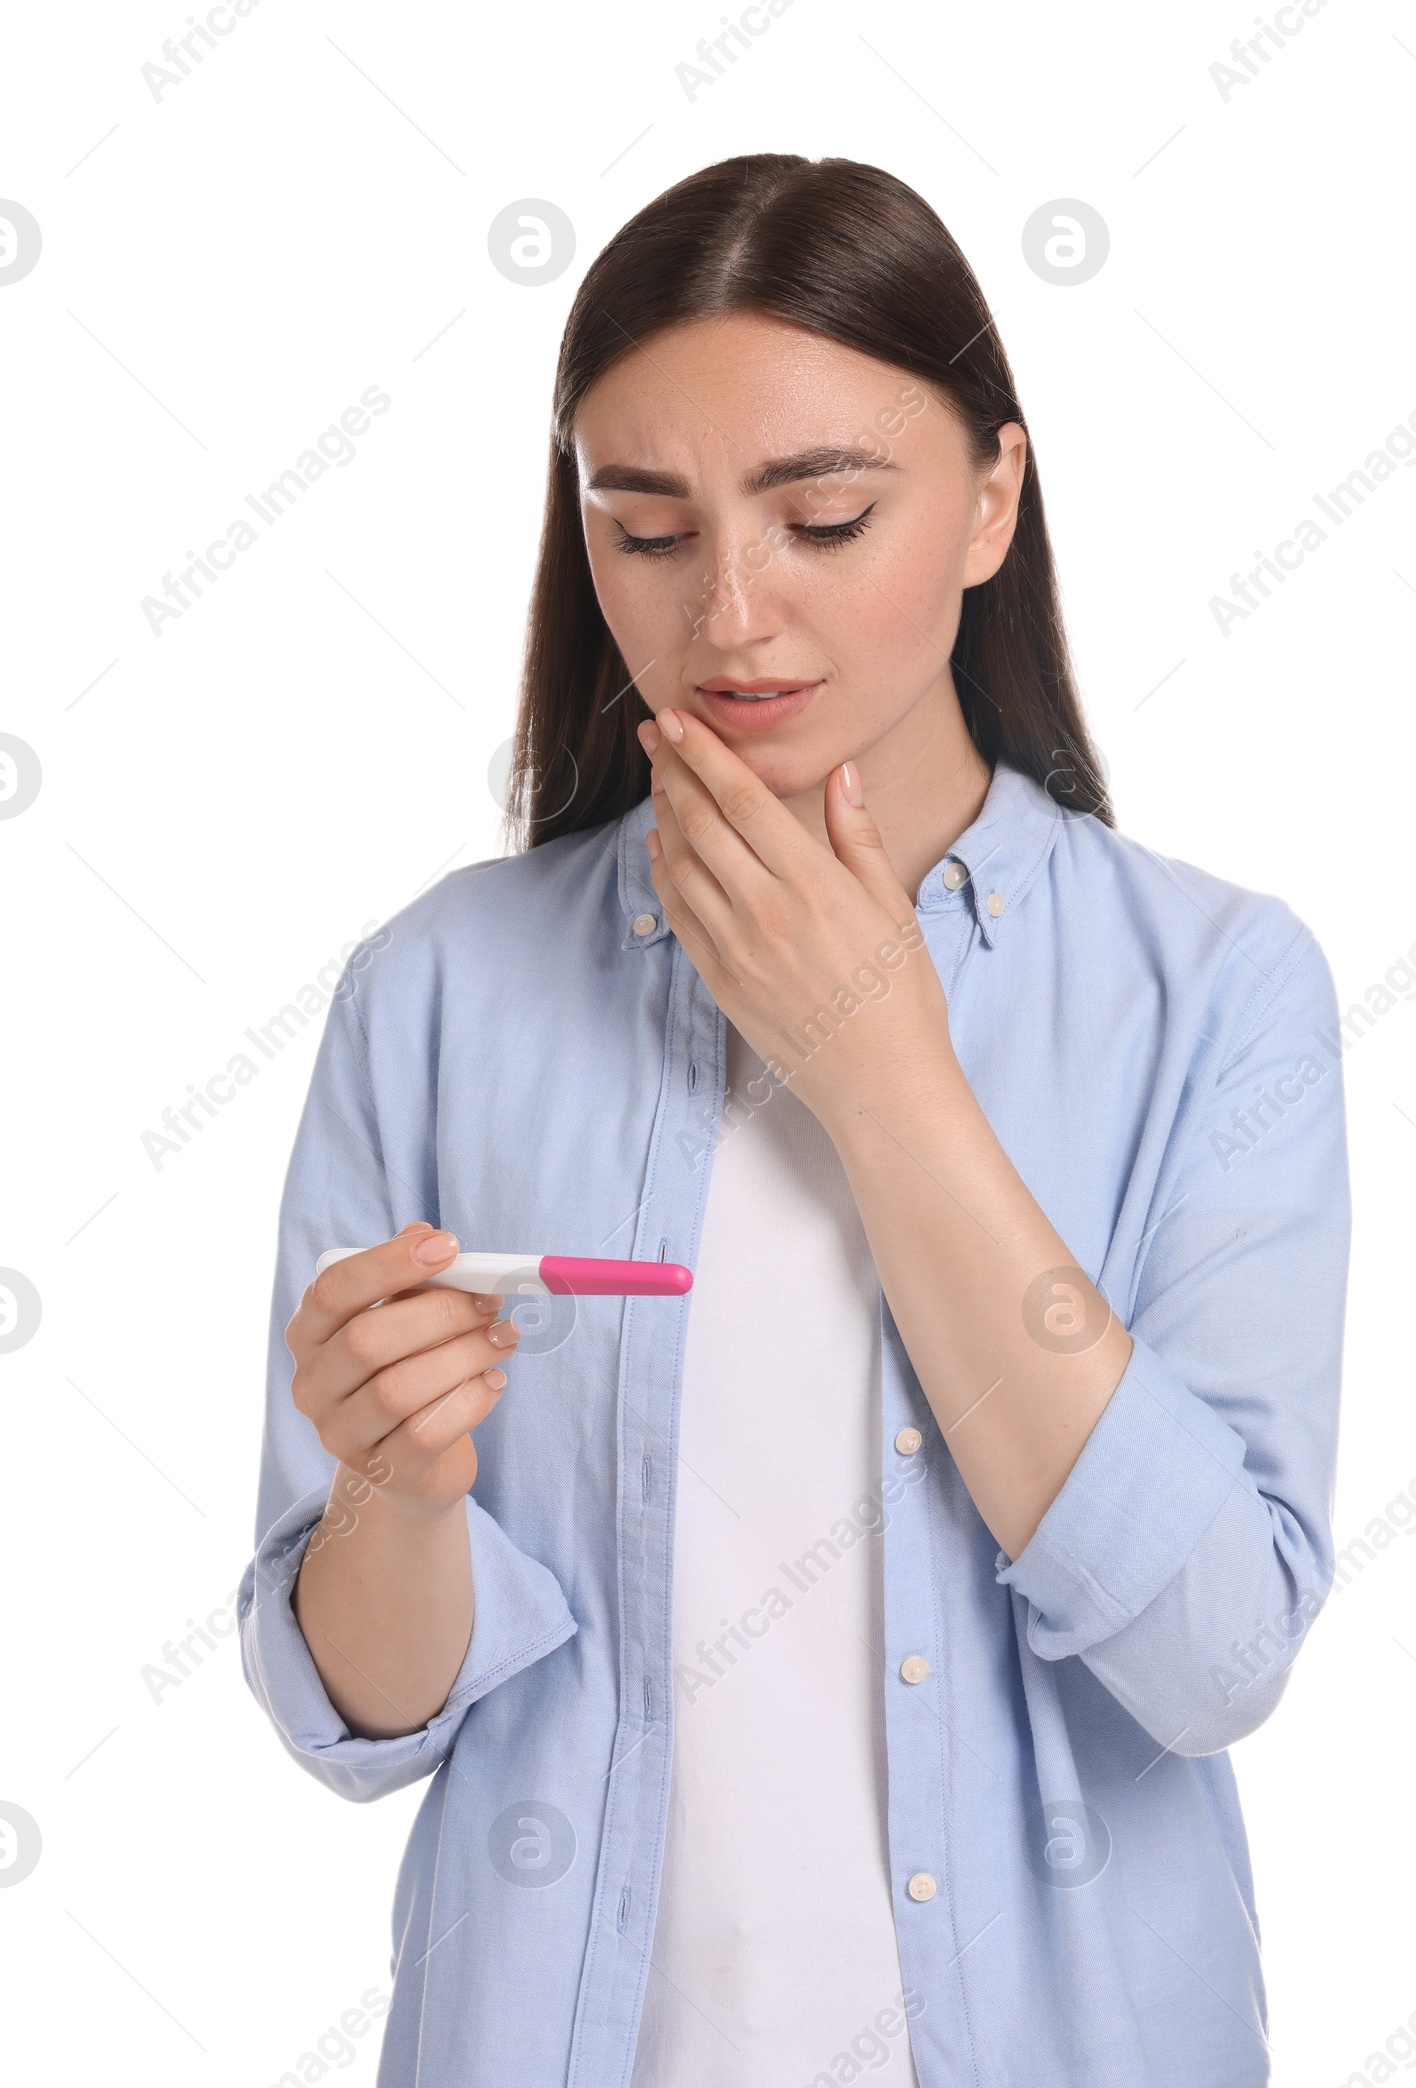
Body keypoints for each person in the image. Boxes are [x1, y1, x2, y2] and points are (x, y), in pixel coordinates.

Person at [240, 153, 1350, 2088]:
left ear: (995, 496)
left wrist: (876, 1062)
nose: (731, 613)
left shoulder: (1216, 991)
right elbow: (367, 1715)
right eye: (645, 528)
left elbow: (1213, 1654)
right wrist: (394, 1492)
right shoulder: (438, 993)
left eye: (824, 516)